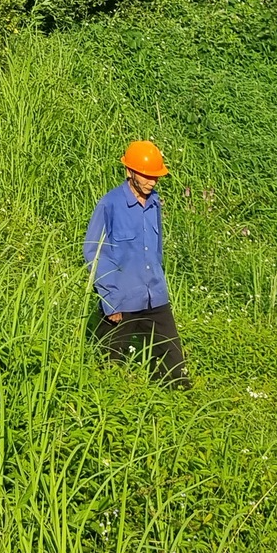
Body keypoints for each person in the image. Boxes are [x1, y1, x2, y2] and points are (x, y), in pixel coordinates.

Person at [82, 139, 189, 387]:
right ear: (129, 172)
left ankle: (174, 401)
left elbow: (157, 248)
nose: (152, 182)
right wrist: (110, 299)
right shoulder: (109, 205)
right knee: (109, 369)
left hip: (154, 295)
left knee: (174, 367)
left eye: (156, 177)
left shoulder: (154, 203)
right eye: (146, 176)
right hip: (120, 300)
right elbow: (93, 252)